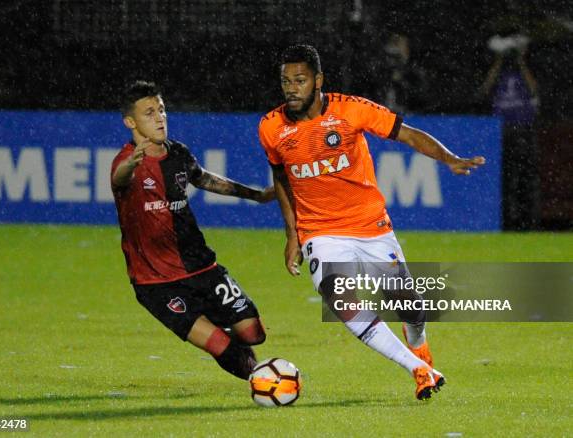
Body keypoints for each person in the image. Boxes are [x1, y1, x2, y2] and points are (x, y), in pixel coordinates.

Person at [258, 44, 485, 400]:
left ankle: (420, 347)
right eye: (286, 81)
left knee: (409, 304)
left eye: (299, 80)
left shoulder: (350, 110)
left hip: (370, 224)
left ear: (318, 81)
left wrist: (448, 158)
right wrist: (293, 235)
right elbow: (282, 178)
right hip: (320, 231)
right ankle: (417, 368)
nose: (291, 88)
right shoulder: (271, 127)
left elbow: (407, 133)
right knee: (338, 295)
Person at [111, 80, 274, 381]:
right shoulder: (125, 163)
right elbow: (121, 179)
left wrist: (255, 195)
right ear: (130, 122)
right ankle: (249, 369)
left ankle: (218, 327)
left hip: (202, 267)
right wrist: (131, 165)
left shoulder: (179, 154)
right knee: (231, 354)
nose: (159, 118)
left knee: (253, 334)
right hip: (157, 283)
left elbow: (206, 180)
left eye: (161, 110)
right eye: (149, 113)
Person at [480, 32, 540, 230]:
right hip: (503, 131)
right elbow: (485, 89)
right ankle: (507, 222)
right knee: (505, 180)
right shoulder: (501, 75)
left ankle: (527, 222)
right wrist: (498, 60)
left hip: (523, 130)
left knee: (525, 179)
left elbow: (534, 89)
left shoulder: (525, 73)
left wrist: (521, 61)